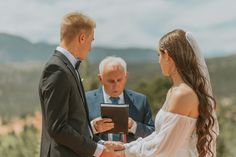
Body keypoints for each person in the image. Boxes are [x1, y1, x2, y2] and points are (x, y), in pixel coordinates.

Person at [117, 29, 219, 157]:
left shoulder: (183, 94)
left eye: (158, 55)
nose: (159, 61)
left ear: (167, 55)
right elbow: (159, 135)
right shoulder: (174, 91)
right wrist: (126, 146)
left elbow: (162, 148)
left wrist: (124, 152)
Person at [38, 12, 123, 157]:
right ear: (82, 38)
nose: (90, 48)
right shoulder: (57, 69)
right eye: (92, 40)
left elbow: (72, 122)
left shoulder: (67, 67)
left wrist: (99, 143)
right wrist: (99, 151)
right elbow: (57, 128)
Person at [86, 56, 155, 143]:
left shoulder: (141, 100)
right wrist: (93, 127)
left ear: (126, 76)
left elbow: (153, 134)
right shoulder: (86, 100)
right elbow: (76, 132)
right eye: (111, 81)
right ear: (100, 79)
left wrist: (134, 126)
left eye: (119, 80)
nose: (116, 85)